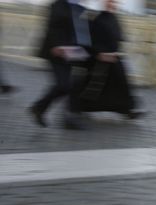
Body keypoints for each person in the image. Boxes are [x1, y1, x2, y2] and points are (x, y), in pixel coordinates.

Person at [75, 0, 142, 119]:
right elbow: (86, 37)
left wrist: (116, 52)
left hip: (113, 57)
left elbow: (118, 36)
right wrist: (98, 53)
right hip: (98, 58)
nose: (113, 5)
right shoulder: (92, 15)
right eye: (110, 2)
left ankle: (126, 109)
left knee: (121, 83)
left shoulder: (113, 17)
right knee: (93, 85)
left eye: (114, 2)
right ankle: (81, 106)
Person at [30, 0, 92, 128]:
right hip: (57, 52)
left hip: (73, 52)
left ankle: (67, 119)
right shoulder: (57, 5)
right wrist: (56, 45)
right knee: (64, 85)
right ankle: (39, 107)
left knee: (73, 84)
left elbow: (82, 30)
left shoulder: (79, 8)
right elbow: (52, 27)